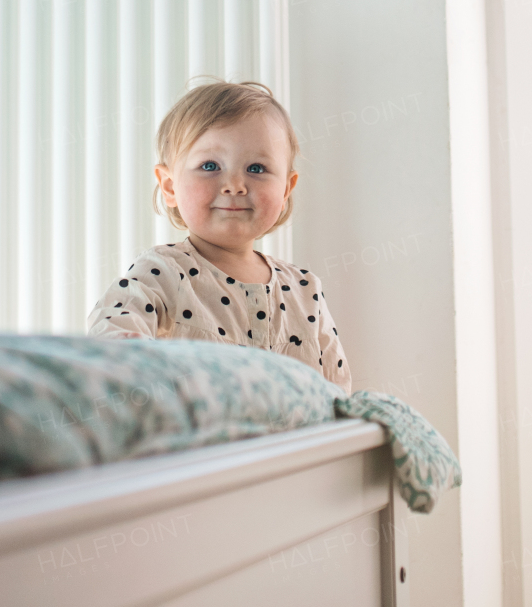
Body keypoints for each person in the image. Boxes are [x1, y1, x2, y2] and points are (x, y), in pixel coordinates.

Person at [86, 79, 352, 391]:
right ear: (170, 186)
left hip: (295, 441)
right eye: (210, 165)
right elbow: (112, 336)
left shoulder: (305, 290)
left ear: (285, 190)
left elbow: (339, 394)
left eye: (256, 168)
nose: (235, 185)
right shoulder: (161, 273)